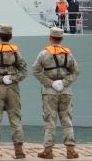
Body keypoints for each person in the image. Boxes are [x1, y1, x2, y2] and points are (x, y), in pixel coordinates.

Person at [0, 23, 29, 159]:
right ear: (11, 37)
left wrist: (0, 79)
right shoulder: (15, 52)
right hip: (13, 88)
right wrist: (12, 78)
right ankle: (19, 151)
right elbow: (24, 70)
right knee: (15, 119)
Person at [33, 27, 80, 160]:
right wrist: (64, 83)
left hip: (49, 92)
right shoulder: (68, 54)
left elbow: (36, 70)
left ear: (50, 39)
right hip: (66, 92)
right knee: (67, 120)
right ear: (62, 39)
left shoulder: (43, 54)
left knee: (50, 120)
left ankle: (48, 151)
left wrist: (50, 82)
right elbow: (76, 71)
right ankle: (71, 151)